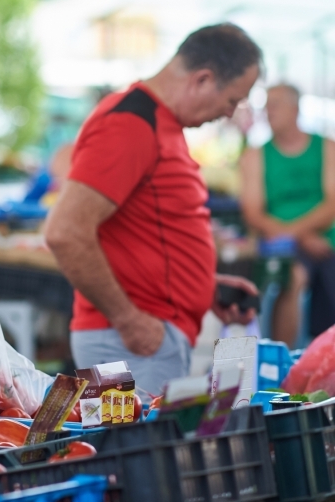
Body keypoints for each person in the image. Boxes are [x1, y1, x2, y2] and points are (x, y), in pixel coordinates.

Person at [44, 23, 261, 397]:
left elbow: (145, 230)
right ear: (203, 79)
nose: (228, 115)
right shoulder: (130, 123)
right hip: (127, 344)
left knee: (137, 453)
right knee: (131, 454)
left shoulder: (161, 123)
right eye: (231, 101)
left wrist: (200, 286)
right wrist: (128, 320)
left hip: (142, 339)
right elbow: (64, 232)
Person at [240, 84, 335, 345]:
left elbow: (331, 204)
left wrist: (301, 233)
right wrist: (300, 238)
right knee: (293, 277)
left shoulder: (326, 147)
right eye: (267, 106)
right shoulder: (255, 156)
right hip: (279, 244)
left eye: (276, 105)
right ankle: (283, 363)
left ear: (296, 109)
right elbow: (253, 213)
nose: (269, 112)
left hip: (325, 238)